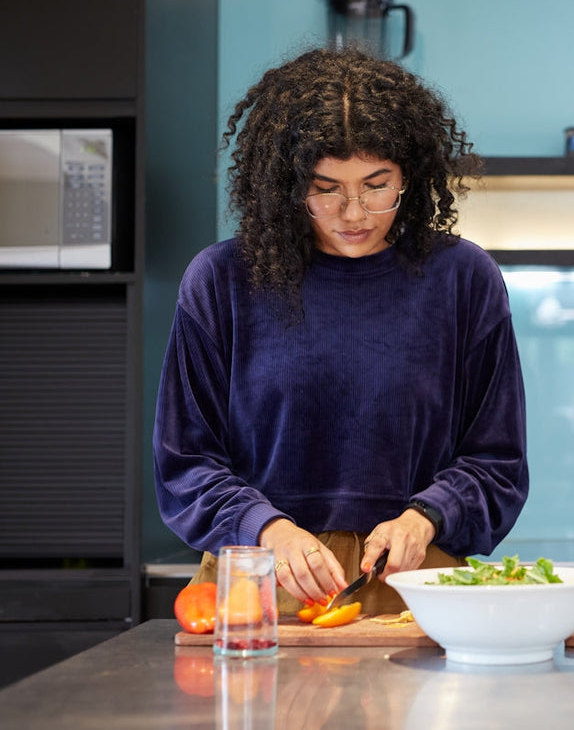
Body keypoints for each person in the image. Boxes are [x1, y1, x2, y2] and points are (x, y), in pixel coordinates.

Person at [153, 47, 529, 615]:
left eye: (377, 186)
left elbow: (497, 460)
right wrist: (266, 528)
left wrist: (425, 516)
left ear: (411, 175)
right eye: (325, 188)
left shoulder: (463, 279)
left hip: (415, 587)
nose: (354, 213)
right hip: (260, 582)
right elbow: (185, 462)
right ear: (286, 184)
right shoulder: (222, 281)